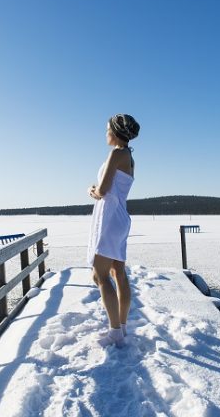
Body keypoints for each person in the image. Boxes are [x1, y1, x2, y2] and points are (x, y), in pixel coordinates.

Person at [87, 114, 140, 347]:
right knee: (118, 272)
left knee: (100, 274)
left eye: (108, 129)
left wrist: (92, 190)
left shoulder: (117, 153)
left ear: (116, 131)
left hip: (109, 218)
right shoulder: (129, 156)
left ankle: (115, 332)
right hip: (120, 216)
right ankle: (122, 326)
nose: (105, 133)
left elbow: (103, 189)